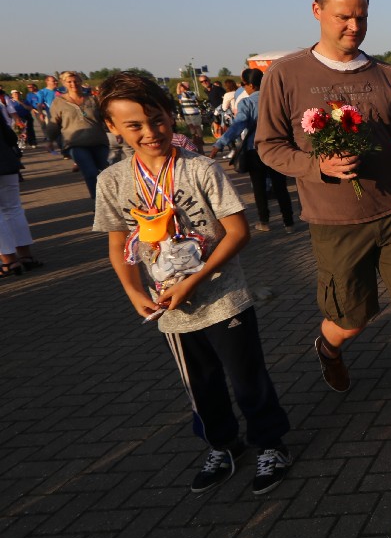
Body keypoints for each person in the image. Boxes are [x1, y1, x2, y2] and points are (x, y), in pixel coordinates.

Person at [256, 0, 391, 436]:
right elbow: (268, 146)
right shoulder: (286, 75)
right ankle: (328, 346)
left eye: (362, 17)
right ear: (316, 11)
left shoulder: (386, 75)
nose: (355, 26)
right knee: (352, 319)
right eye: (343, 17)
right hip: (335, 220)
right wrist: (318, 167)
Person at [93, 72, 293, 495]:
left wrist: (196, 279)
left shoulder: (200, 168)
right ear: (112, 127)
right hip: (170, 308)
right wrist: (133, 292)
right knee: (200, 384)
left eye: (157, 120)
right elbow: (117, 244)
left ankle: (269, 444)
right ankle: (222, 444)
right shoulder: (112, 181)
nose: (151, 132)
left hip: (224, 298)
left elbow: (238, 232)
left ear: (171, 115)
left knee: (247, 377)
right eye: (135, 125)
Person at [210, 68, 295, 233]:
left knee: (259, 187)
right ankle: (289, 222)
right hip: (278, 148)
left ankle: (264, 221)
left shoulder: (247, 103)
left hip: (255, 149)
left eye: (244, 84)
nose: (244, 88)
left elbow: (238, 125)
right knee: (280, 187)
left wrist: (220, 144)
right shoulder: (277, 99)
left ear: (250, 85)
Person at [46, 71, 111, 198]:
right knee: (90, 172)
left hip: (98, 141)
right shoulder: (59, 102)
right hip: (75, 143)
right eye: (69, 82)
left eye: (76, 81)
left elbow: (105, 118)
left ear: (81, 82)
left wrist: (117, 131)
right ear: (64, 83)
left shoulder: (93, 99)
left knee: (106, 172)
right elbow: (54, 123)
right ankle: (98, 201)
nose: (73, 84)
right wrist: (50, 140)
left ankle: (111, 199)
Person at [0, 117, 42, 277]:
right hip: (6, 162)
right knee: (14, 210)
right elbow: (10, 137)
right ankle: (26, 256)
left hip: (6, 163)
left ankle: (9, 261)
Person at [176, 81, 205, 152]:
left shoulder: (189, 93)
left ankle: (200, 142)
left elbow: (178, 93)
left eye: (181, 87)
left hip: (193, 113)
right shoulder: (183, 95)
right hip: (187, 114)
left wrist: (178, 85)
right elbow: (179, 97)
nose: (180, 88)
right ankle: (195, 139)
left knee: (197, 128)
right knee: (191, 127)